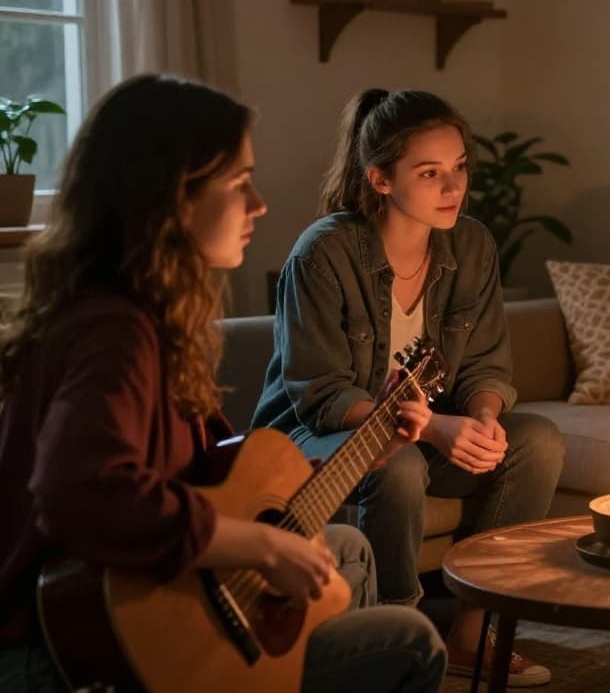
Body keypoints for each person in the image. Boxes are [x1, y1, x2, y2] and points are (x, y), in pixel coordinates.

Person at [0, 74, 446, 692]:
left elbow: (217, 487)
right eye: (239, 183)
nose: (260, 203)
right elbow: (80, 489)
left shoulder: (152, 319)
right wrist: (262, 550)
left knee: (344, 547)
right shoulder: (115, 331)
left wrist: (375, 447)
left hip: (152, 580)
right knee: (411, 641)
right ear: (169, 197)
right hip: (60, 647)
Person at [252, 88, 565, 687]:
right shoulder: (323, 253)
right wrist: (437, 429)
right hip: (316, 439)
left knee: (538, 441)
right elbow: (322, 394)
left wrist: (482, 417)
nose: (453, 188)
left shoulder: (470, 244)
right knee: (393, 465)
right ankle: (397, 636)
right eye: (429, 173)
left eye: (459, 169)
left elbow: (487, 366)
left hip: (425, 430)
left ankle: (475, 631)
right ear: (380, 179)